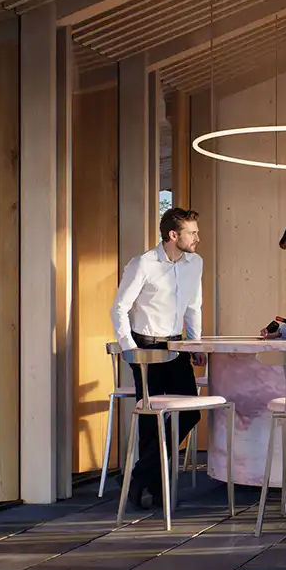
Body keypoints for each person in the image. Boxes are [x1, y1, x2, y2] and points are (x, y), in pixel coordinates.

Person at [111, 207, 204, 511]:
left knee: (190, 413)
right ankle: (157, 485)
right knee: (151, 418)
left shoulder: (195, 263)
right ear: (173, 235)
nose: (197, 238)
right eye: (192, 232)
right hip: (145, 346)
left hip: (177, 345)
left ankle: (140, 474)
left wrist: (196, 342)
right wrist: (129, 348)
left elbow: (193, 306)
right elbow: (120, 308)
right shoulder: (143, 264)